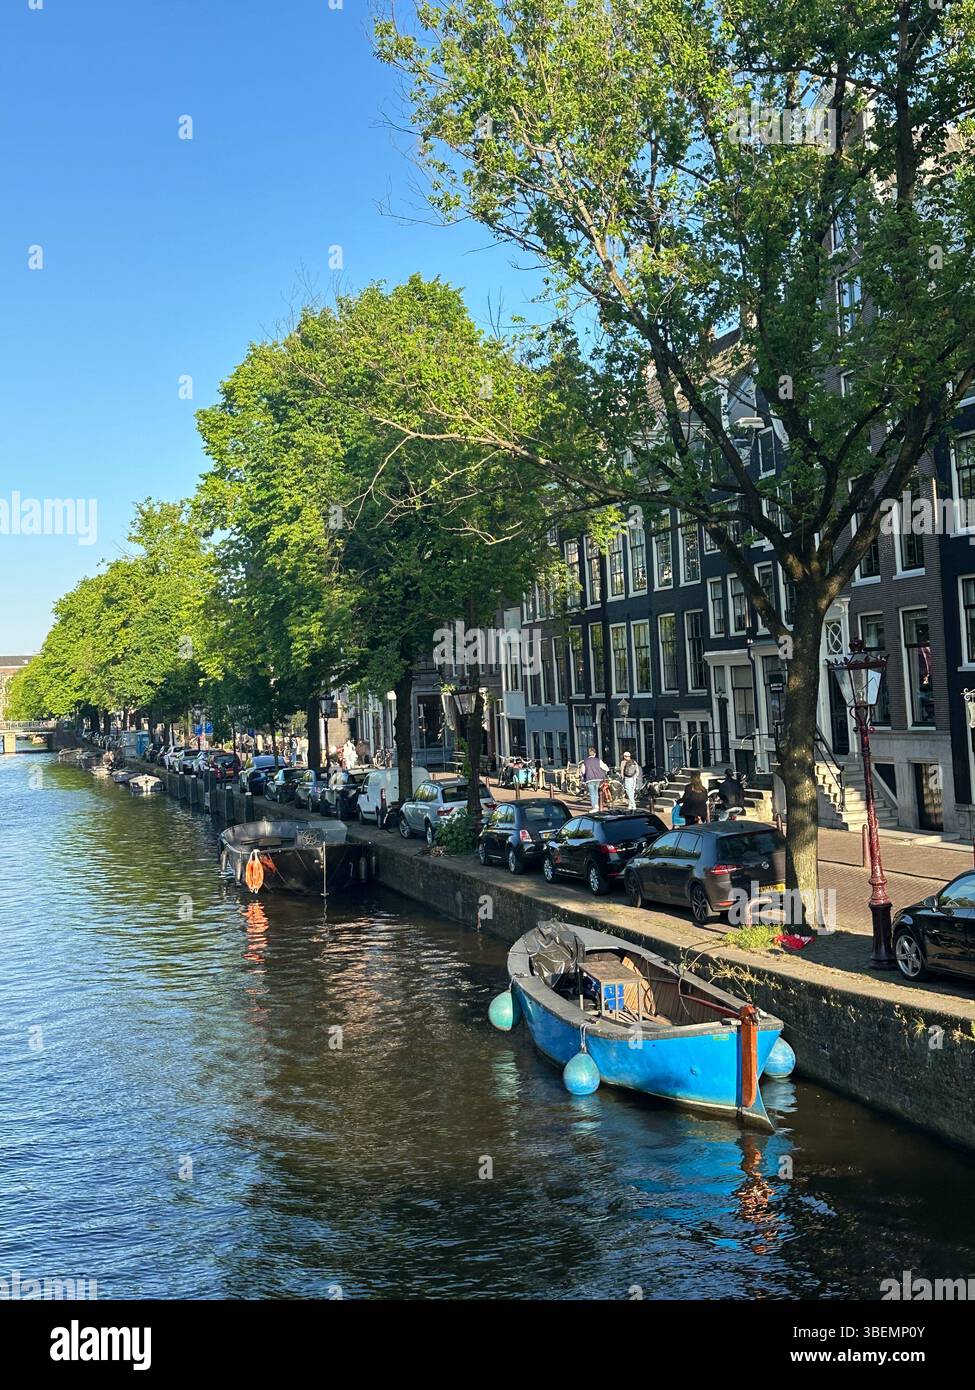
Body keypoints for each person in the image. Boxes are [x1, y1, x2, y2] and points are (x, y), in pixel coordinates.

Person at [580, 745, 609, 810]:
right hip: (598, 779)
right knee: (596, 793)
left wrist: (584, 776)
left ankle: (595, 807)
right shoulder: (598, 760)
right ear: (595, 754)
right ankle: (597, 805)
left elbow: (583, 771)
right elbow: (606, 768)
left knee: (592, 794)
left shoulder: (585, 761)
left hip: (589, 779)